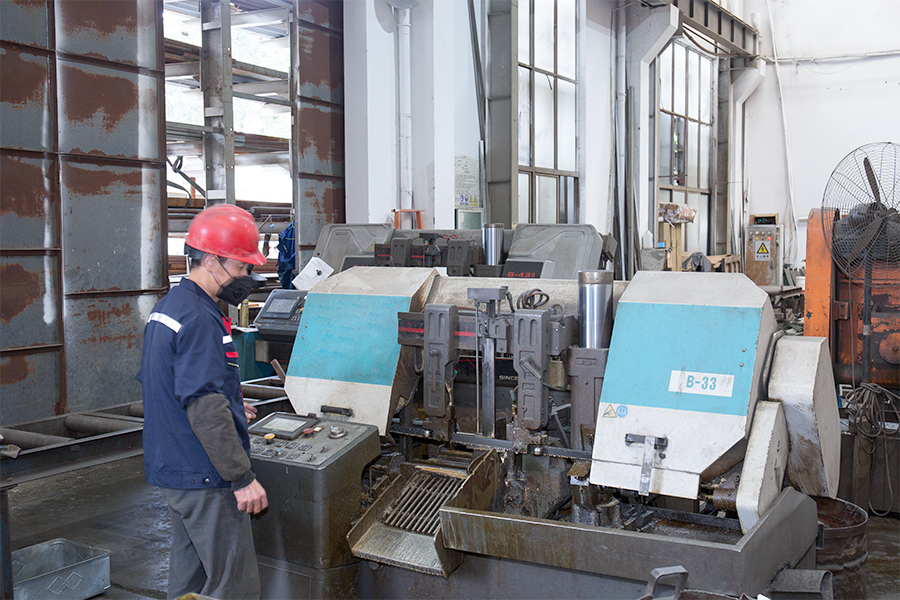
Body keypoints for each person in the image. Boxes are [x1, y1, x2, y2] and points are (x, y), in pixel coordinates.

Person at [137, 204, 269, 600]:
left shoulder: (169, 307)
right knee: (234, 587)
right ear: (212, 260)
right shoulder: (199, 318)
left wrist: (232, 405)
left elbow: (170, 386)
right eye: (241, 266)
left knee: (189, 580)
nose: (246, 276)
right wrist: (241, 478)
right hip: (205, 474)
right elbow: (203, 405)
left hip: (174, 469)